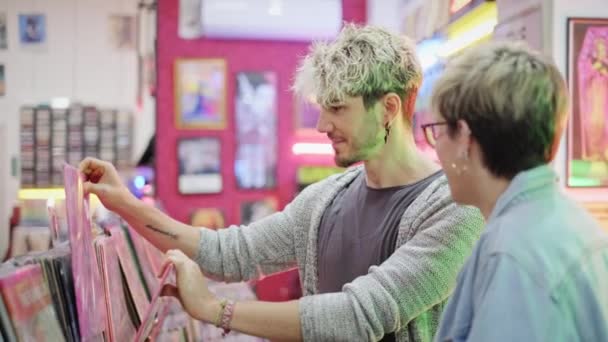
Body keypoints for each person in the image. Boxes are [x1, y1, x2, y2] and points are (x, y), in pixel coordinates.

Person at [80, 24, 483, 342]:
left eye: (338, 109)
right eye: (323, 110)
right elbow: (230, 253)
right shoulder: (326, 199)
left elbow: (360, 315)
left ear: (388, 109)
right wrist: (125, 205)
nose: (324, 125)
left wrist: (215, 309)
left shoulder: (455, 209)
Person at [427, 41, 608, 341]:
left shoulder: (513, 257)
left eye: (439, 130)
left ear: (465, 137)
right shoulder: (565, 223)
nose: (436, 148)